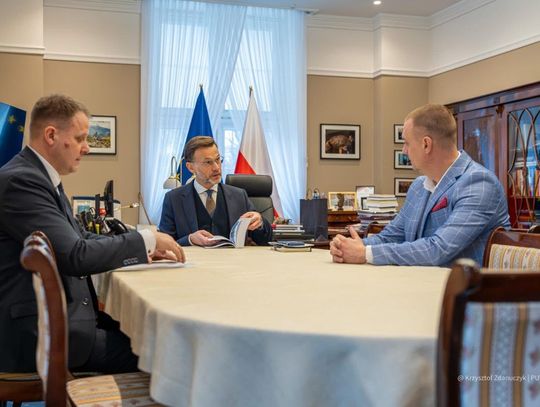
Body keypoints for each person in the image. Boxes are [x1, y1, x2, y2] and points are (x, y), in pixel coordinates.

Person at [0, 94, 185, 373]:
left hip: (59, 319)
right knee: (166, 350)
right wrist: (145, 238)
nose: (87, 147)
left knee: (149, 330)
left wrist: (143, 250)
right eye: (80, 138)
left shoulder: (38, 176)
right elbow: (75, 255)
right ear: (51, 135)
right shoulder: (22, 181)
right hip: (38, 335)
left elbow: (80, 238)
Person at [330, 104, 510, 267]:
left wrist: (365, 253)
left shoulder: (479, 184)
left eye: (407, 143)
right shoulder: (418, 187)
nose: (404, 150)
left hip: (465, 290)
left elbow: (437, 250)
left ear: (426, 144)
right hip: (421, 284)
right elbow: (392, 235)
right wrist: (350, 246)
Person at [159, 136, 273, 246]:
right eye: (208, 162)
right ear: (190, 167)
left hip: (233, 259)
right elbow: (163, 244)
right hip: (194, 259)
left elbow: (265, 240)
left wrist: (260, 223)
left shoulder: (239, 196)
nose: (216, 168)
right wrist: (190, 239)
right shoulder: (174, 199)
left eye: (218, 159)